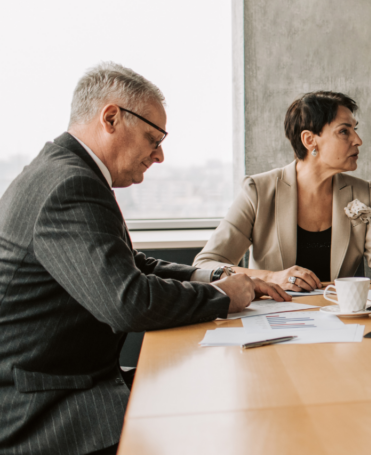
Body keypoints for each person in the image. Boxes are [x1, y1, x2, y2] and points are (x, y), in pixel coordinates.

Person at [0, 63, 287, 455]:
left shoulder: (64, 171)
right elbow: (128, 302)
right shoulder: (70, 184)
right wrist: (224, 296)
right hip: (46, 410)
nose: (161, 155)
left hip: (67, 381)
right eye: (154, 138)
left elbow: (133, 264)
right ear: (111, 118)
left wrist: (219, 274)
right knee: (229, 421)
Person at [194, 91, 371, 290]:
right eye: (345, 131)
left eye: (355, 129)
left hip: (339, 319)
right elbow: (207, 265)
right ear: (310, 140)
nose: (358, 140)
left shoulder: (364, 193)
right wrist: (271, 277)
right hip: (270, 320)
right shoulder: (258, 190)